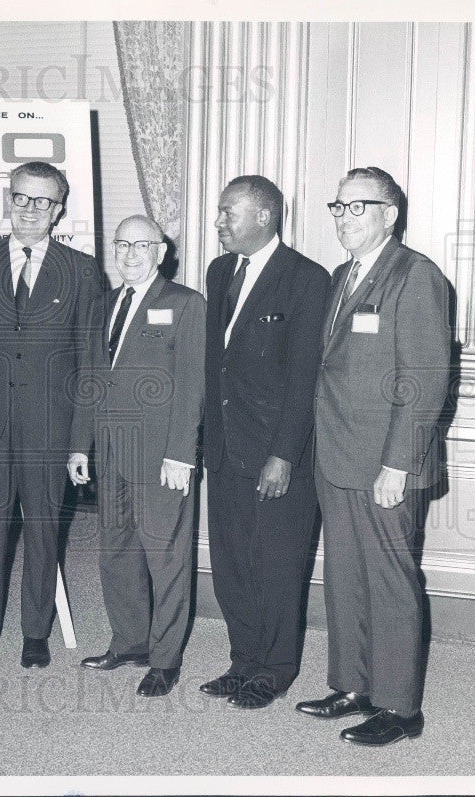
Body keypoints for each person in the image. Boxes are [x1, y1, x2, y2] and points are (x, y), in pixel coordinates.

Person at [298, 167, 450, 746]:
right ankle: (353, 685)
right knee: (344, 575)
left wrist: (398, 464)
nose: (343, 217)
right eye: (337, 207)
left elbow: (424, 379)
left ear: (390, 214)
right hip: (336, 455)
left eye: (357, 207)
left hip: (385, 463)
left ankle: (399, 707)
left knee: (390, 580)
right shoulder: (342, 275)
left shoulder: (415, 277)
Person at [0, 161, 104, 668]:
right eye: (22, 198)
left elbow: (89, 362)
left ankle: (36, 631)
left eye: (44, 201)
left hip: (51, 426)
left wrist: (80, 439)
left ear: (59, 210)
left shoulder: (81, 270)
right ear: (7, 200)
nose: (32, 210)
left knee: (42, 529)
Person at [200, 176, 330, 709]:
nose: (218, 223)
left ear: (265, 217)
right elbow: (217, 364)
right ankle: (242, 660)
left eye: (229, 212)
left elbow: (304, 378)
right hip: (224, 446)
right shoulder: (219, 271)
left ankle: (274, 669)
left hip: (277, 452)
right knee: (231, 560)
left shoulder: (306, 279)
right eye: (220, 212)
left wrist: (283, 455)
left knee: (276, 562)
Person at [68, 215, 206, 697]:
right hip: (109, 455)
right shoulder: (103, 305)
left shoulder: (185, 304)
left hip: (160, 458)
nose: (129, 254)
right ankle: (129, 643)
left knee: (166, 558)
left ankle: (165, 659)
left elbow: (192, 386)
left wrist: (180, 456)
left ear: (161, 250)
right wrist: (77, 446)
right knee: (117, 554)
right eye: (121, 244)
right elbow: (90, 381)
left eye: (141, 245)